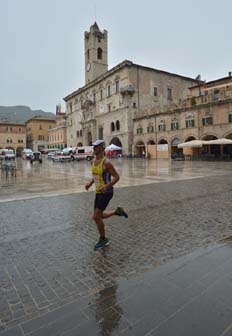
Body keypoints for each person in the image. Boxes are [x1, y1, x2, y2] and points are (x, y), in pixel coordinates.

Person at [85, 140, 128, 250]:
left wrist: (107, 186)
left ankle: (103, 239)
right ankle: (116, 211)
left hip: (107, 192)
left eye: (96, 146)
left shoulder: (106, 163)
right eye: (93, 146)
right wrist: (90, 183)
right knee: (99, 216)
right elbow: (96, 176)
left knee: (95, 217)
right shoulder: (93, 161)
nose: (94, 148)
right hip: (99, 192)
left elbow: (117, 177)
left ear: (102, 148)